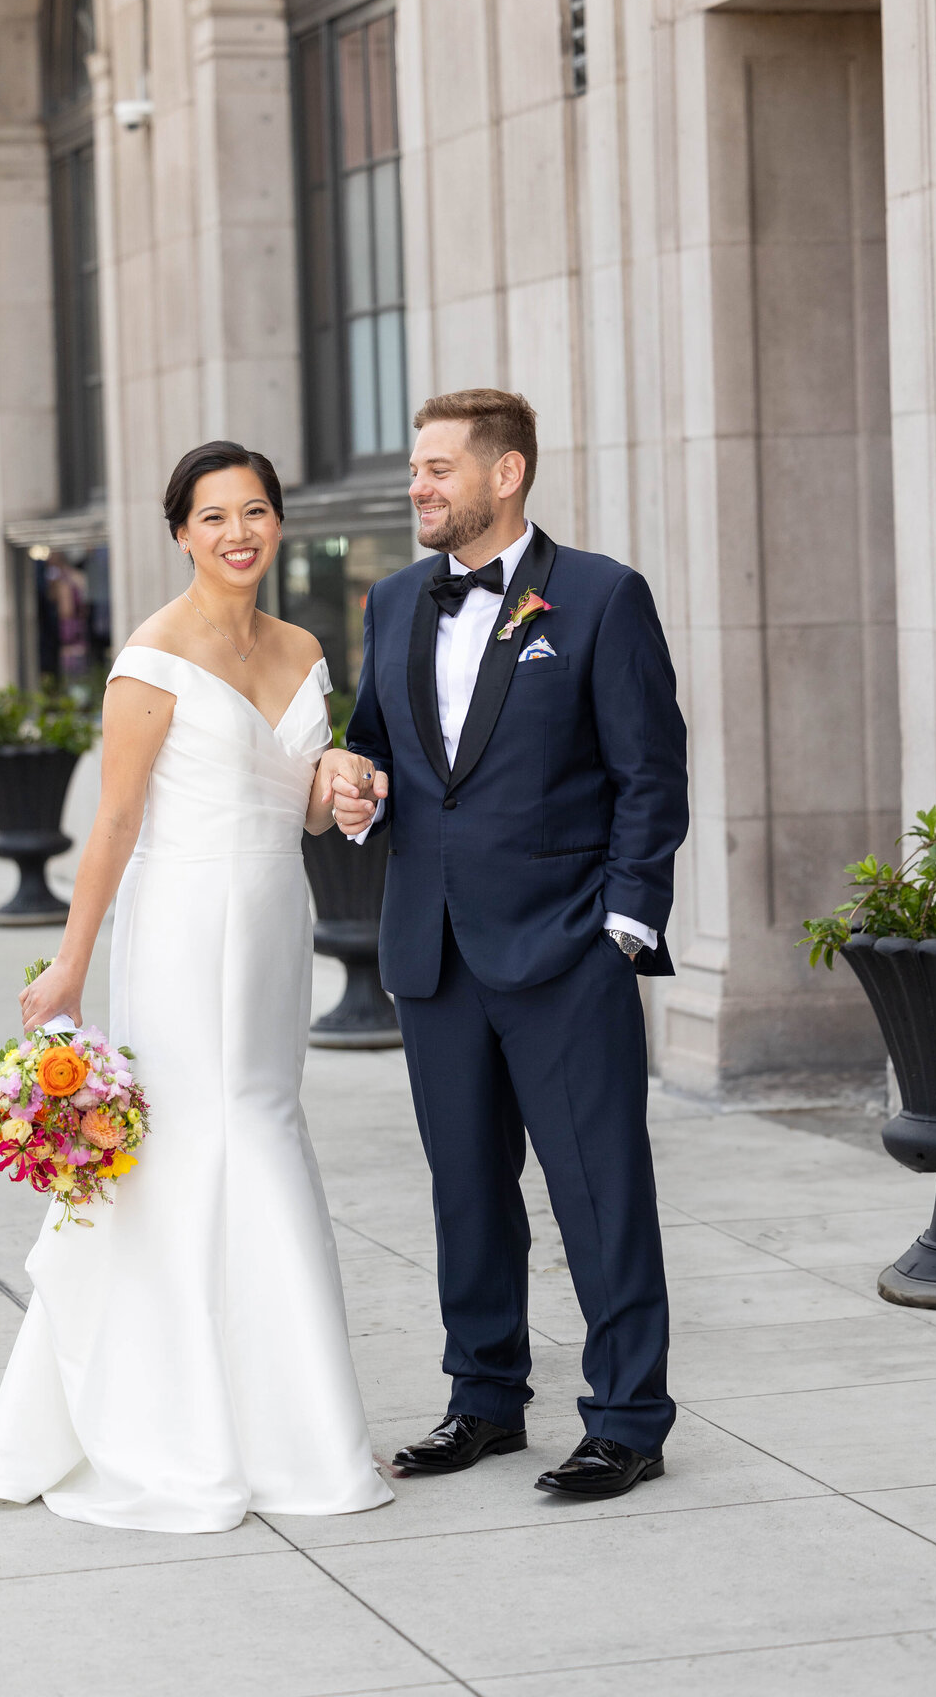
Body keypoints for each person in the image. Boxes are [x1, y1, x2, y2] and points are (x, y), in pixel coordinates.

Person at [0, 440, 393, 1532]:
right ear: (179, 534)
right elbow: (114, 821)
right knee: (205, 1149)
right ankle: (196, 1431)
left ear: (279, 525)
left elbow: (293, 804)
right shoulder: (150, 657)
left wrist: (338, 785)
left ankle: (279, 1422)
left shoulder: (303, 646)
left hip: (269, 919)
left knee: (263, 1125)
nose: (238, 534)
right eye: (214, 518)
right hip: (179, 926)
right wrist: (69, 960)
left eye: (254, 513)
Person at [333, 389, 688, 1500]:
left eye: (440, 468)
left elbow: (649, 772)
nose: (419, 487)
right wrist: (359, 794)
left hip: (567, 951)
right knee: (466, 1192)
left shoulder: (600, 597)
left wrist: (624, 927)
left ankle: (626, 1419)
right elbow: (378, 751)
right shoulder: (394, 602)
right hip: (431, 956)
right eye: (415, 468)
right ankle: (483, 1401)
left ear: (507, 473)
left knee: (600, 1189)